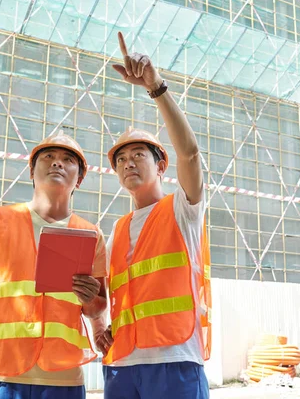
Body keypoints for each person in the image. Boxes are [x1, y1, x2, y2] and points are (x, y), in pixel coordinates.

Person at [91, 32, 212, 399]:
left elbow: (190, 154)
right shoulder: (115, 230)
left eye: (138, 156)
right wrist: (97, 323)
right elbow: (108, 299)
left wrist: (155, 86)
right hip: (122, 364)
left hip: (174, 361)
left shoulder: (182, 209)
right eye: (121, 160)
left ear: (161, 167)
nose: (128, 164)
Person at [0, 132, 108, 399]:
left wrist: (90, 298)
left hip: (64, 379)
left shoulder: (91, 234)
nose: (57, 163)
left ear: (79, 179)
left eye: (67, 159)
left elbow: (98, 307)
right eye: (48, 157)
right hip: (1, 376)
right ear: (31, 172)